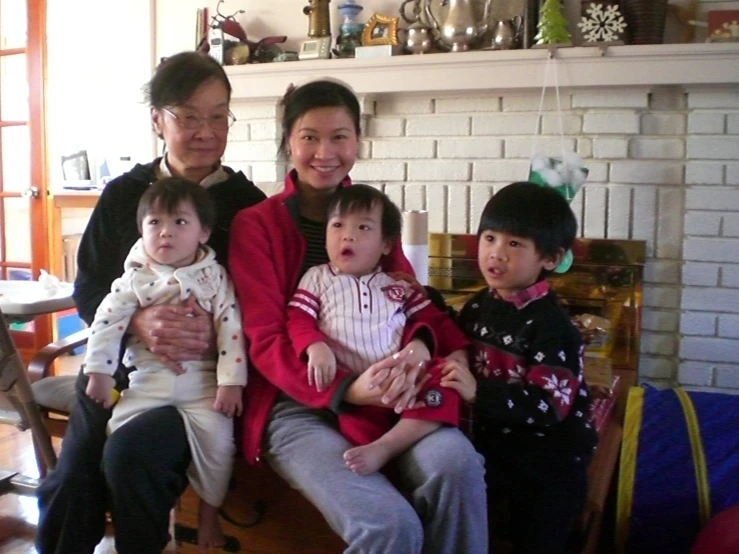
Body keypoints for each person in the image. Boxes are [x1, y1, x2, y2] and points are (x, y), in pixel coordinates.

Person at [228, 78, 488, 553]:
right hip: (298, 405)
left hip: (391, 395)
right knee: (390, 526)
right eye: (309, 136)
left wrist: (433, 352)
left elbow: (415, 304)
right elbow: (265, 340)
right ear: (288, 141)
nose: (325, 152)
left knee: (458, 465)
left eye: (339, 136)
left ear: (358, 142)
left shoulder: (372, 213)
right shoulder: (257, 225)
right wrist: (346, 389)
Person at [36, 51, 266, 554]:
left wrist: (218, 334)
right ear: (158, 120)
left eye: (218, 115)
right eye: (189, 116)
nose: (206, 130)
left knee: (131, 458)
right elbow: (90, 289)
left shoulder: (249, 207)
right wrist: (136, 319)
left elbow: (263, 303)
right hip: (115, 370)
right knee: (72, 480)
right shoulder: (124, 196)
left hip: (196, 382)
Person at [83, 177, 246, 551]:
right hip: (147, 382)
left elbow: (230, 326)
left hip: (203, 383)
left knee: (219, 447)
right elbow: (106, 323)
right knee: (119, 445)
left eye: (180, 223)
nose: (165, 233)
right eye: (154, 223)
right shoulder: (134, 280)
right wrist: (99, 373)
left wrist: (231, 381)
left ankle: (208, 515)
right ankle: (159, 530)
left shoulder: (215, 278)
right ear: (141, 231)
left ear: (204, 231)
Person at [440, 182, 599, 554]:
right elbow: (456, 341)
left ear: (550, 258)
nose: (496, 253)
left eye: (515, 244)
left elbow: (549, 405)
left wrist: (478, 392)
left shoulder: (554, 328)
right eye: (490, 237)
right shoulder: (481, 304)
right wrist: (420, 298)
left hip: (549, 465)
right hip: (495, 451)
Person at [287, 184, 465, 475]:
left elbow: (436, 321)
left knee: (444, 387)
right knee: (354, 430)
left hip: (406, 379)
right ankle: (384, 455)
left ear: (386, 244)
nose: (348, 234)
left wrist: (460, 355)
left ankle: (390, 445)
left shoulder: (396, 284)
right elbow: (297, 317)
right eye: (338, 225)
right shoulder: (317, 278)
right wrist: (314, 346)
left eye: (364, 227)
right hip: (359, 389)